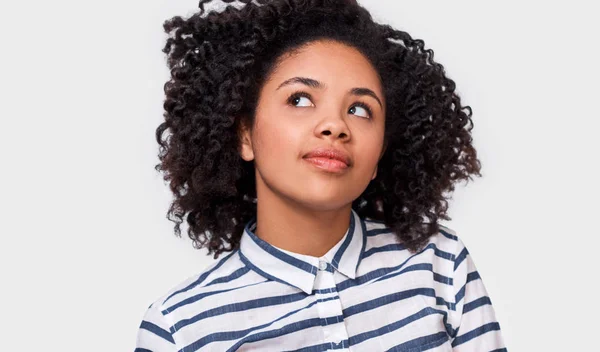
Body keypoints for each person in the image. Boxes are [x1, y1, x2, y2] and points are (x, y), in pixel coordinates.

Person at [134, 0, 507, 350]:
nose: (335, 125)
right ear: (245, 134)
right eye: (299, 99)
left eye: (361, 109)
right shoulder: (179, 330)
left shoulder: (439, 263)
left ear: (378, 153)